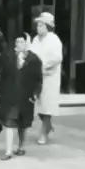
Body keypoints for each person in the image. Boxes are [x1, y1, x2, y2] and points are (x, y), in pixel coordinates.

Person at [0, 33, 43, 160]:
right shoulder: (9, 57)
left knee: (23, 124)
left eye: (21, 42)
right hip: (9, 95)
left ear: (27, 43)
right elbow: (2, 76)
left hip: (26, 96)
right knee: (9, 122)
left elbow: (39, 80)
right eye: (17, 42)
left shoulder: (34, 60)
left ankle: (21, 146)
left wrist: (36, 94)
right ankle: (8, 151)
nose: (18, 44)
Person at [30, 12, 63, 145]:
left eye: (41, 25)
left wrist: (43, 65)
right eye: (38, 25)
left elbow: (57, 58)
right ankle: (48, 126)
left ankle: (44, 131)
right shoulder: (35, 39)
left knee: (47, 105)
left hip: (49, 76)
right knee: (38, 105)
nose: (38, 27)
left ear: (48, 26)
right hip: (36, 76)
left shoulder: (54, 39)